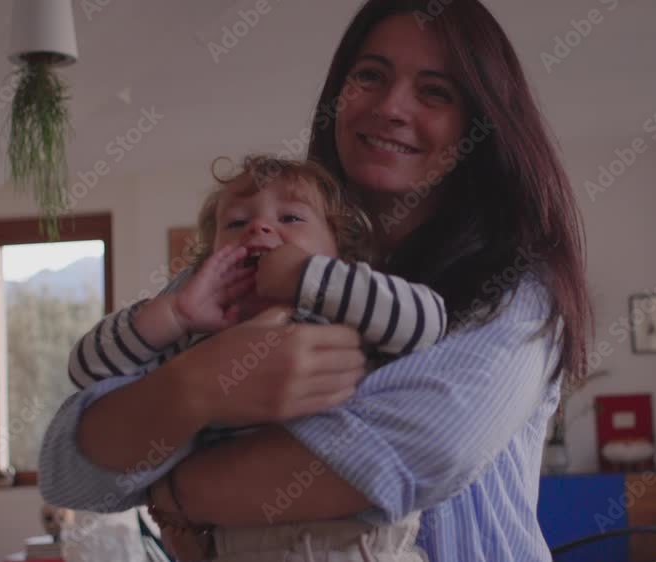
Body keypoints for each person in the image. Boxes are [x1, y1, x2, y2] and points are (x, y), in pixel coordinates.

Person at [38, 0, 590, 560]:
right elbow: (72, 470)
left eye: (435, 91)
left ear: (479, 125)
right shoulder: (230, 274)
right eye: (370, 76)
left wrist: (174, 493)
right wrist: (201, 382)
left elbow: (412, 451)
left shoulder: (516, 288)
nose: (391, 107)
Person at [66, 154, 445, 560]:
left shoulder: (351, 309)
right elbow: (88, 369)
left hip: (360, 543)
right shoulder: (203, 330)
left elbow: (426, 323)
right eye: (235, 223)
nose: (259, 227)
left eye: (291, 218)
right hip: (239, 544)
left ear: (340, 253)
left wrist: (305, 275)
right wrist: (173, 315)